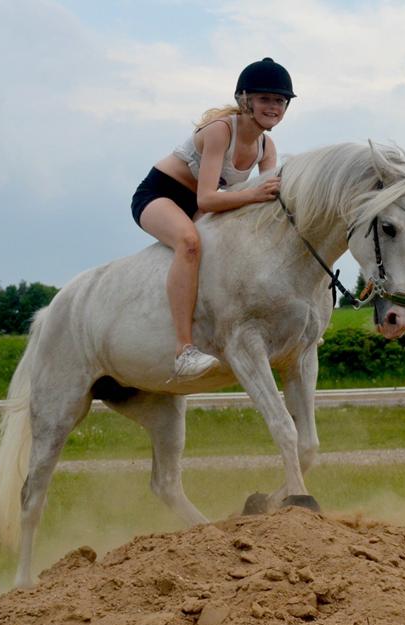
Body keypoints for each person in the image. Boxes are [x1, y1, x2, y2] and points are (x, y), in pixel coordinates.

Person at [130, 57, 296, 382]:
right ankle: (183, 350)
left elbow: (267, 203)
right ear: (245, 100)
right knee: (189, 242)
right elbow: (207, 197)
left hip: (205, 204)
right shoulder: (221, 131)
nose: (273, 106)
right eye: (265, 99)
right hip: (161, 195)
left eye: (280, 101)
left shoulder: (267, 146)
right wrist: (254, 195)